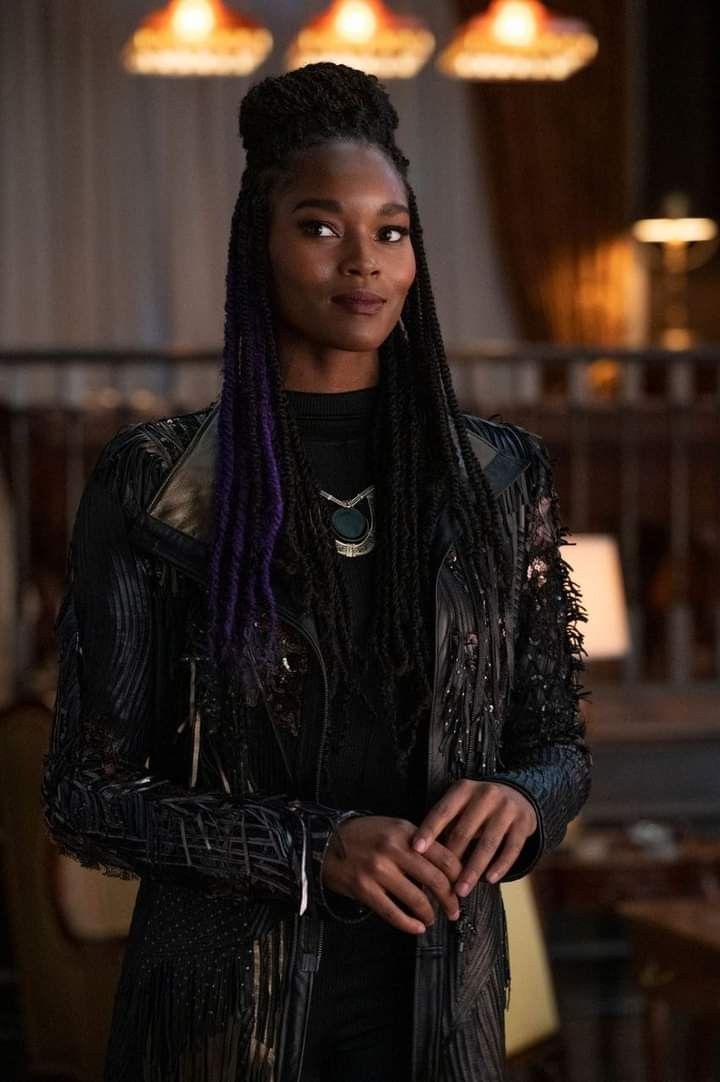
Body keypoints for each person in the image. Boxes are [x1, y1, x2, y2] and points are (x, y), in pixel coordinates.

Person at [41, 62, 592, 1082]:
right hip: (220, 1021)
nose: (364, 262)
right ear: (261, 239)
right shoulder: (159, 483)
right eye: (321, 226)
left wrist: (525, 797)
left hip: (440, 1009)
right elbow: (85, 791)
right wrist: (311, 846)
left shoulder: (496, 473)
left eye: (391, 230)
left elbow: (554, 737)